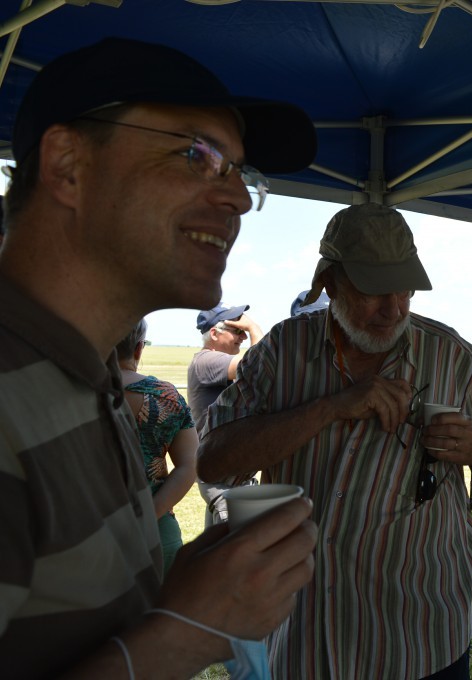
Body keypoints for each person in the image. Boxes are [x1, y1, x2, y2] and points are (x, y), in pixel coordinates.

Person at [0, 37, 318, 678]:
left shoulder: (83, 379)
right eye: (196, 155)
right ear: (66, 165)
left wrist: (179, 591)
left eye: (240, 174)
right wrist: (193, 629)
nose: (234, 199)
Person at [197, 203, 472, 679]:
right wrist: (331, 407)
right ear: (329, 282)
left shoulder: (452, 358)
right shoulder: (280, 353)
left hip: (419, 639)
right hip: (305, 637)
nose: (393, 309)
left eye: (405, 290)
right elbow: (212, 462)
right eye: (374, 290)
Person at [116, 318, 198, 574]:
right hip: (157, 532)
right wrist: (149, 516)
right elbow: (191, 464)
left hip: (88, 532)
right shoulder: (164, 395)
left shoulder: (75, 392)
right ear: (139, 348)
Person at [187, 303, 264, 525]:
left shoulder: (212, 362)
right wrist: (254, 329)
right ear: (214, 333)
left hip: (227, 477)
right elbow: (256, 365)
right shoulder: (207, 361)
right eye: (236, 330)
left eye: (242, 331)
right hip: (225, 482)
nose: (241, 336)